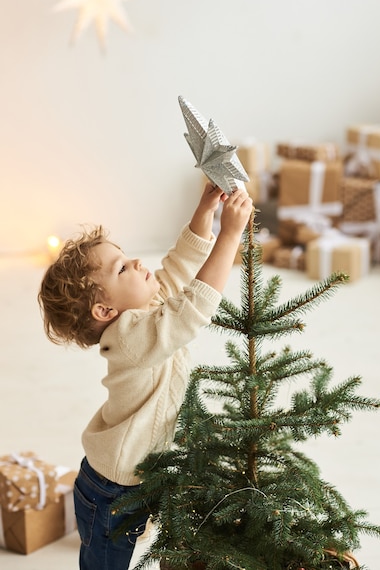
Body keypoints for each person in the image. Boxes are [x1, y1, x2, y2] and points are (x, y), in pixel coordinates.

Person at [38, 183, 253, 570]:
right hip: (114, 488)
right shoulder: (131, 335)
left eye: (126, 257)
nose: (137, 263)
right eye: (122, 269)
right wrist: (230, 235)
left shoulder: (143, 310)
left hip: (141, 474)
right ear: (105, 311)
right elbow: (192, 310)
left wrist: (205, 212)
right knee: (104, 564)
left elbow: (178, 269)